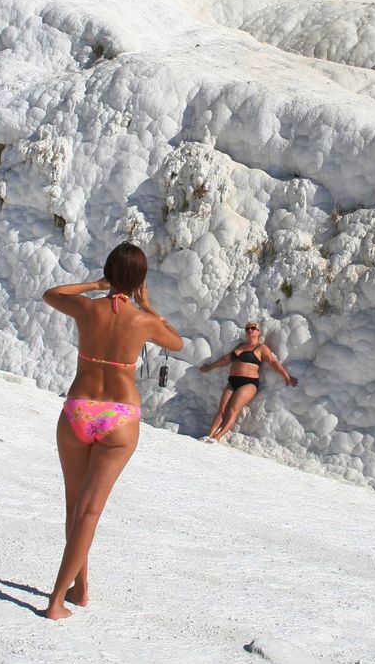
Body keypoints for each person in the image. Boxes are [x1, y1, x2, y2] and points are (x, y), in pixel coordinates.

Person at [42, 241, 182, 620]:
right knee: (90, 511)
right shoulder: (144, 321)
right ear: (140, 280)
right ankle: (58, 600)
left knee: (76, 505)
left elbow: (51, 294)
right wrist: (147, 304)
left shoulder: (87, 308)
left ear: (109, 272)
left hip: (78, 410)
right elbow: (176, 342)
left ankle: (79, 588)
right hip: (119, 417)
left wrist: (94, 285)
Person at [199, 321, 296, 443]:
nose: (250, 330)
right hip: (233, 381)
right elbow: (226, 359)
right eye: (247, 328)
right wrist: (210, 367)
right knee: (222, 409)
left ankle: (217, 438)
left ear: (258, 332)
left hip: (248, 383)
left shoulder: (261, 348)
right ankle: (209, 435)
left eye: (253, 328)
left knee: (233, 410)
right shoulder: (240, 346)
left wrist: (286, 376)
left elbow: (273, 363)